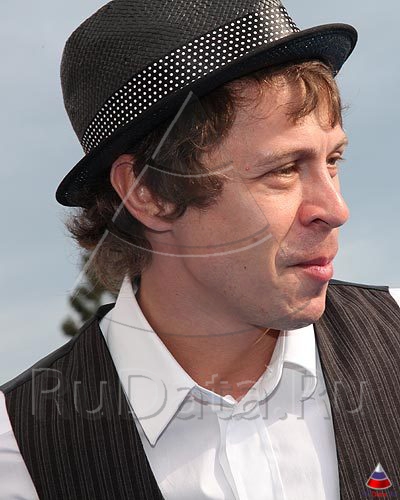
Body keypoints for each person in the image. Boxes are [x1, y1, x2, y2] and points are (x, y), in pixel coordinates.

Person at [0, 0, 399, 498]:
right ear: (148, 192)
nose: (335, 208)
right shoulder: (18, 459)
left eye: (332, 160)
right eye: (283, 170)